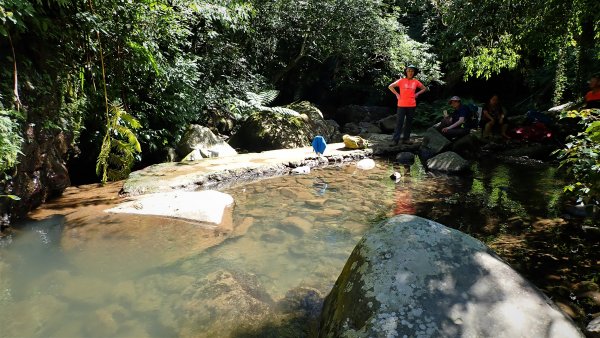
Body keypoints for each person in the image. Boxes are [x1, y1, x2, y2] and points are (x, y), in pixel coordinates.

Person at [388, 65, 428, 145]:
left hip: (411, 105)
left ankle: (406, 139)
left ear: (414, 73)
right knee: (399, 122)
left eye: (412, 71)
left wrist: (417, 93)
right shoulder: (401, 81)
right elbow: (390, 86)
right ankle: (395, 140)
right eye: (409, 70)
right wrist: (397, 94)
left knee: (409, 123)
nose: (410, 72)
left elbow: (424, 88)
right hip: (401, 105)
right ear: (406, 72)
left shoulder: (416, 82)